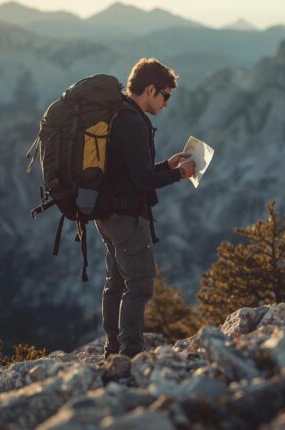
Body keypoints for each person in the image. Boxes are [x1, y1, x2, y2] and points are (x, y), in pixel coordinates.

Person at [95, 58, 195, 358]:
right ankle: (129, 355)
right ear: (150, 90)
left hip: (106, 212)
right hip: (126, 217)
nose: (166, 104)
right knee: (139, 285)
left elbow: (129, 171)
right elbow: (142, 180)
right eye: (165, 95)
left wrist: (167, 164)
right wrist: (180, 174)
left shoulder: (119, 114)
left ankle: (113, 349)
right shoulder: (134, 122)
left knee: (116, 282)